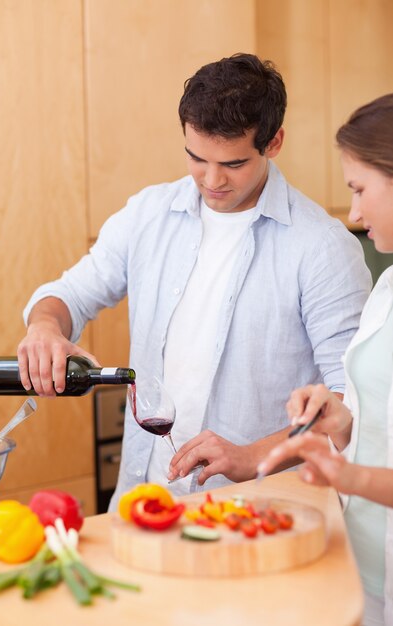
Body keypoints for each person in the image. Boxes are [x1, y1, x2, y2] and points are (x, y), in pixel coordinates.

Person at [17, 53, 371, 508]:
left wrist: (254, 455)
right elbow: (68, 294)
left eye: (234, 163)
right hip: (142, 498)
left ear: (274, 142)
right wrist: (45, 327)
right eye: (196, 158)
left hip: (259, 511)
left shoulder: (322, 247)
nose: (212, 179)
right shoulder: (148, 213)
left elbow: (351, 401)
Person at [256, 94, 393, 626]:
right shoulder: (386, 288)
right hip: (362, 567)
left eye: (359, 189)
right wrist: (340, 422)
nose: (354, 212)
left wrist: (344, 475)